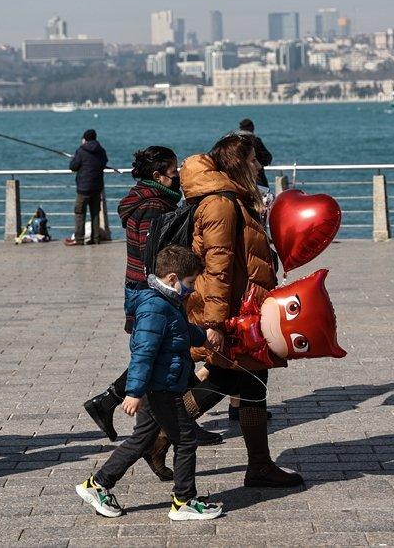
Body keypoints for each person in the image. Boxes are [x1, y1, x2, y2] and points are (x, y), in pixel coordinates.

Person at [82, 146, 222, 473]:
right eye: (174, 172)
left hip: (143, 286)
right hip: (150, 290)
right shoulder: (152, 208)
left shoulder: (149, 200)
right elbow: (155, 257)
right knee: (157, 353)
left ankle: (129, 409)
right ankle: (122, 408)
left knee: (167, 353)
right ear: (158, 176)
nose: (180, 177)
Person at [182, 133, 302, 488]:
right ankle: (156, 437)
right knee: (227, 380)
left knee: (250, 381)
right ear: (238, 162)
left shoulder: (237, 199)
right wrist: (215, 322)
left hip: (245, 307)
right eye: (253, 159)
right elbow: (217, 267)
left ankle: (260, 465)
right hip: (232, 311)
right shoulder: (221, 204)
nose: (259, 165)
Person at [75, 245, 223, 522]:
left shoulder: (165, 302)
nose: (191, 289)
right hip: (160, 387)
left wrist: (202, 336)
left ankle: (97, 485)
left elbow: (178, 331)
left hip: (163, 385)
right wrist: (133, 392)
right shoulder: (155, 306)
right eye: (189, 283)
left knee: (142, 439)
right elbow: (143, 352)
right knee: (186, 438)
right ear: (172, 278)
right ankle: (184, 501)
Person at [66, 129, 109, 246]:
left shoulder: (81, 150)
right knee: (95, 213)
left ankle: (79, 239)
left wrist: (74, 158)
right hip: (97, 187)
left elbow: (73, 167)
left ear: (85, 139)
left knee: (79, 212)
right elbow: (104, 162)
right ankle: (95, 239)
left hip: (83, 188)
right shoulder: (101, 151)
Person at [233, 118, 273, 188]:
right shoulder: (255, 141)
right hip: (256, 176)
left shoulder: (233, 142)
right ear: (252, 128)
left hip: (238, 177)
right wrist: (259, 162)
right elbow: (267, 157)